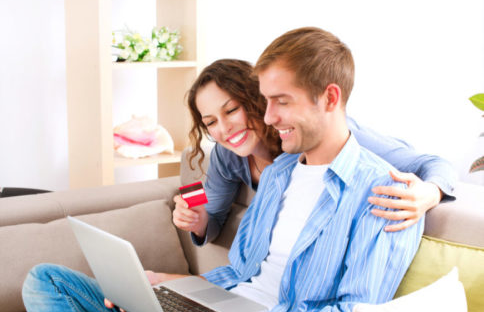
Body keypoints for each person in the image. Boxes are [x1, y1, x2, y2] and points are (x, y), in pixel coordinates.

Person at [23, 27, 425, 312]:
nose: (268, 117)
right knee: (47, 281)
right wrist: (165, 286)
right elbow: (240, 274)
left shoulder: (386, 192)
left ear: (330, 98)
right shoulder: (280, 172)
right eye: (265, 101)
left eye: (281, 102)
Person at [173, 59, 455, 245]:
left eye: (232, 110)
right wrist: (197, 221)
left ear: (259, 99)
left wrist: (429, 193)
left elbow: (432, 163)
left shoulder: (329, 137)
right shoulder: (227, 156)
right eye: (210, 122)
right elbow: (212, 216)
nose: (224, 129)